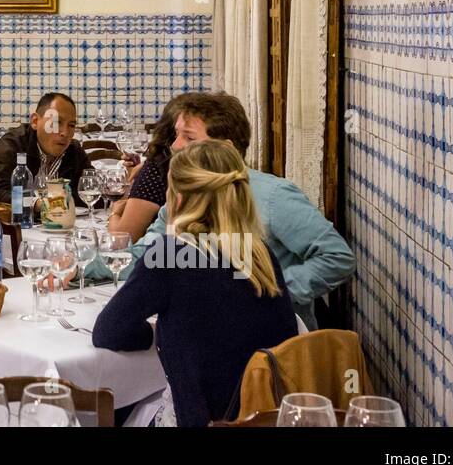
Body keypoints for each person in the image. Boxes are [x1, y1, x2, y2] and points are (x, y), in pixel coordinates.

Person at [92, 140, 299, 426]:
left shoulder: (171, 255)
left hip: (203, 419)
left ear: (177, 198)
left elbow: (108, 331)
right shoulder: (259, 254)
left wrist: (151, 336)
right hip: (264, 415)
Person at [117, 92, 354, 330]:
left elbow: (336, 257)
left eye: (188, 137)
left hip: (271, 342)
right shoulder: (183, 193)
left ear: (225, 148)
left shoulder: (274, 196)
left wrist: (270, 290)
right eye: (177, 134)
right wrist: (89, 264)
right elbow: (148, 253)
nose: (175, 145)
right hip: (202, 333)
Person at [108, 93, 194, 241]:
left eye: (190, 137)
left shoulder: (158, 169)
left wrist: (114, 213)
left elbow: (122, 238)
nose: (176, 145)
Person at [0, 92, 92, 204]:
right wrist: (38, 204)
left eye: (71, 125)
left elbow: (91, 189)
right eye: (57, 122)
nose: (65, 133)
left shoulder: (74, 151)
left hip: (62, 221)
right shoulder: (11, 146)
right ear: (35, 121)